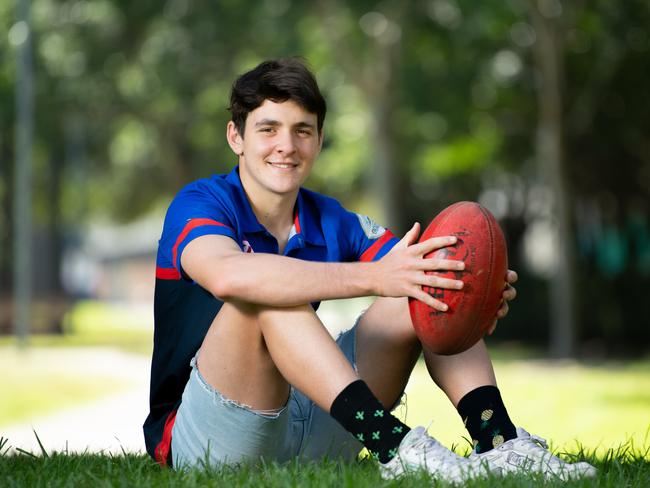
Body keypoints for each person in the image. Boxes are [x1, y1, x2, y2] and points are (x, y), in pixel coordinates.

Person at [143, 58, 596, 483]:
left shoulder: (331, 217)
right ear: (236, 137)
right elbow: (228, 275)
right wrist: (376, 278)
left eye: (303, 131)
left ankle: (500, 445)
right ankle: (397, 449)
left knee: (432, 277)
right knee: (263, 292)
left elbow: (419, 270)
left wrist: (478, 289)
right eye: (268, 129)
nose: (287, 145)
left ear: (319, 141)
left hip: (314, 423)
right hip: (211, 434)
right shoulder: (201, 202)